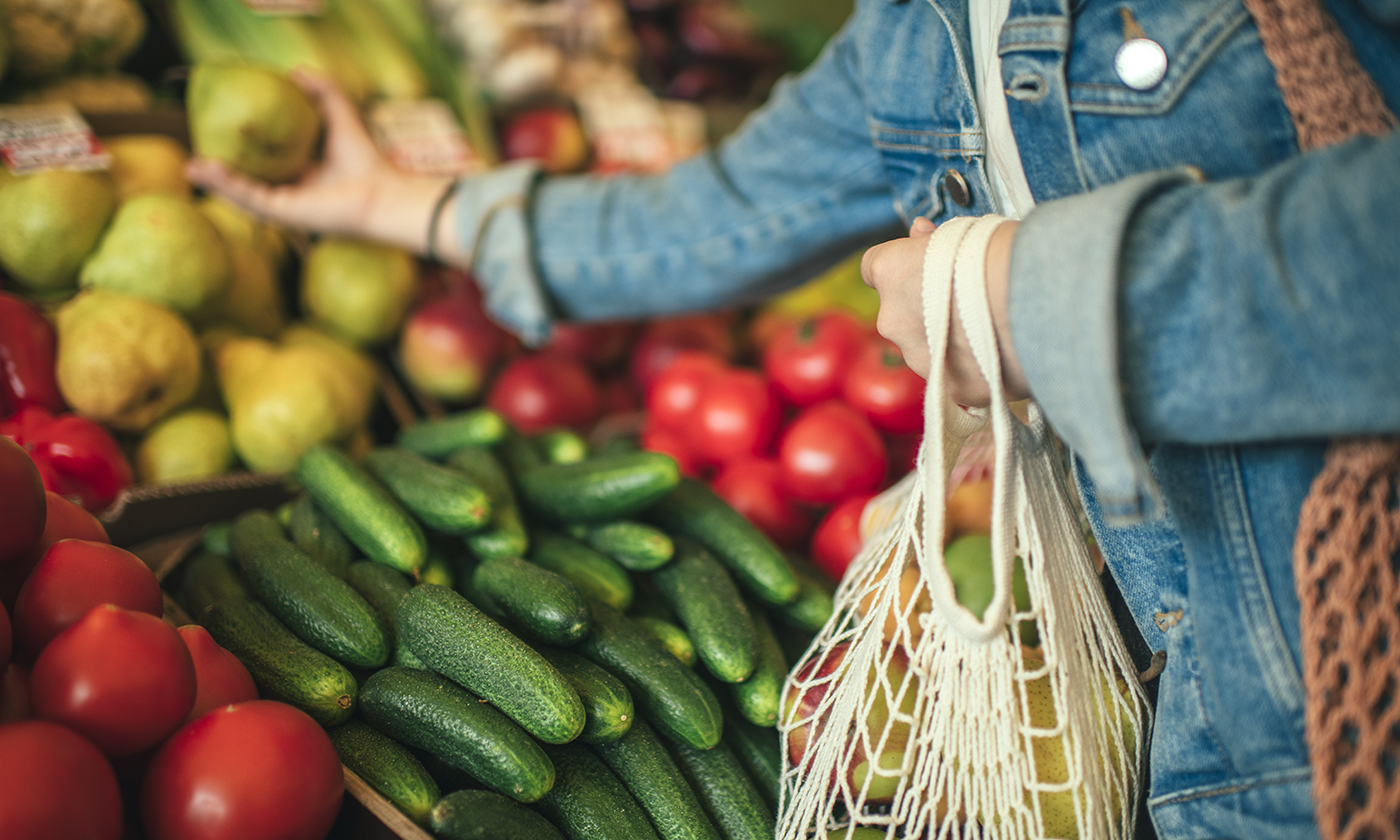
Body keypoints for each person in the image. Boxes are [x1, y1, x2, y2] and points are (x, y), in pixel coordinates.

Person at [189, 0, 1400, 837]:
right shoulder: (916, 30)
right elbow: (712, 217)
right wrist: (396, 202)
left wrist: (1035, 301)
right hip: (1182, 739)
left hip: (1352, 708)